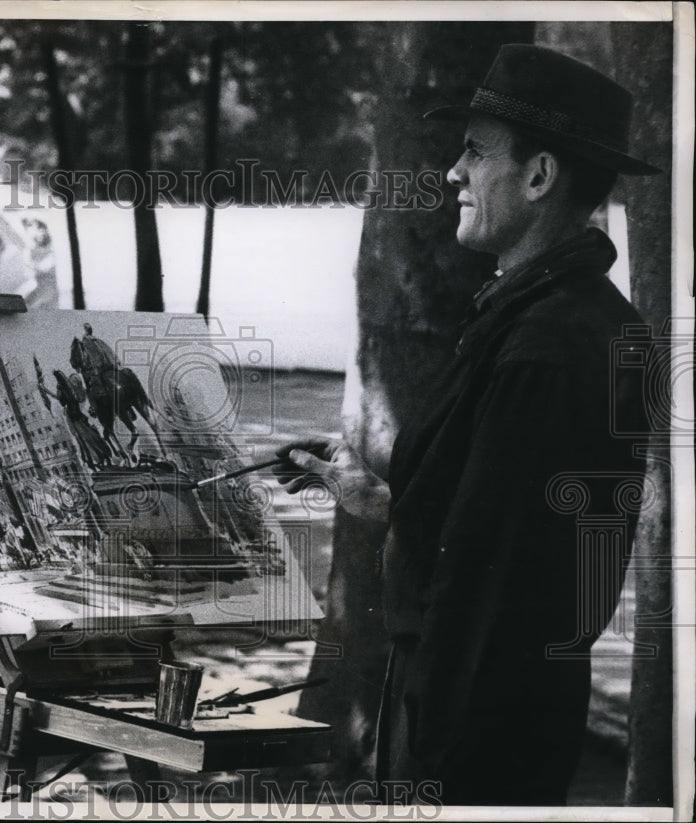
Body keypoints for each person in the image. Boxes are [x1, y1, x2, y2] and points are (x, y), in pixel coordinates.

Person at [275, 44, 658, 805]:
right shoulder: (557, 318)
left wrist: (431, 774)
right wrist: (379, 496)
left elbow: (495, 596)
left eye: (476, 152)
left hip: (474, 737)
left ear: (540, 176)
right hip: (495, 715)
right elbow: (496, 527)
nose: (453, 171)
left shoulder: (550, 343)